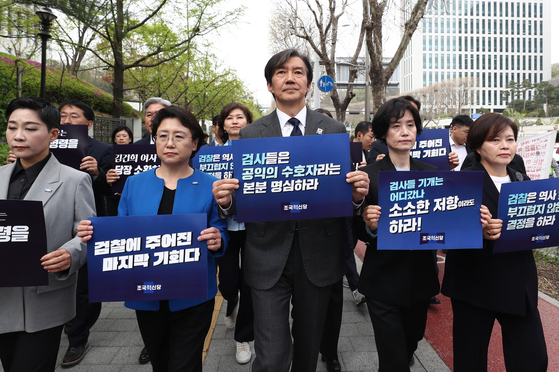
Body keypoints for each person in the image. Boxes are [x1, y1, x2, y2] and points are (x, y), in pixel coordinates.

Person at [212, 49, 369, 372]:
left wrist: (356, 196)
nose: (290, 78)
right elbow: (247, 199)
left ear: (309, 84)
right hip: (267, 254)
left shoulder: (335, 130)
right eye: (282, 72)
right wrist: (227, 202)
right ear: (270, 84)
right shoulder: (252, 134)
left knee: (308, 350)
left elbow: (344, 200)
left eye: (298, 72)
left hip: (319, 255)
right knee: (270, 353)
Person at [78, 105, 229, 372]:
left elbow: (221, 231)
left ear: (195, 143)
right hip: (145, 295)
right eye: (163, 135)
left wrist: (218, 239)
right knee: (160, 362)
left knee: (185, 364)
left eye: (179, 136)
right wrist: (94, 235)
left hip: (193, 295)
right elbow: (121, 233)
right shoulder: (134, 184)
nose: (169, 143)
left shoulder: (211, 185)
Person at [442, 113, 548, 372]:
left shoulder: (523, 181)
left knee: (533, 359)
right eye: (495, 140)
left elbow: (533, 232)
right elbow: (444, 235)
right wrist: (480, 233)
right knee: (470, 361)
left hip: (518, 283)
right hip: (474, 285)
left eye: (510, 139)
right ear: (477, 146)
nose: (505, 146)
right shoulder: (460, 184)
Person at [0, 97, 96, 372]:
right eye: (12, 127)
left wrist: (70, 254)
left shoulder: (74, 180)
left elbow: (87, 234)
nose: (18, 136)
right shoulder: (0, 176)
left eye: (30, 128)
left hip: (46, 299)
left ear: (53, 134)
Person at [355, 98, 440, 371]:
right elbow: (355, 227)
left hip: (421, 280)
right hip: (383, 281)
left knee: (410, 345)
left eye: (410, 125)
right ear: (383, 132)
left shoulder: (432, 174)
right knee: (392, 360)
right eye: (396, 126)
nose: (404, 132)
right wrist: (369, 225)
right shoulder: (368, 176)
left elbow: (441, 224)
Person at [59, 99, 113, 367]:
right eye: (63, 116)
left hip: (88, 224)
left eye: (73, 116)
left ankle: (78, 338)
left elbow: (110, 189)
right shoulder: (47, 144)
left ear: (89, 123)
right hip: (53, 222)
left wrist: (97, 173)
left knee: (85, 285)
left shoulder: (102, 149)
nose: (66, 121)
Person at [213, 102, 255, 364]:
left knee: (250, 283)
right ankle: (231, 301)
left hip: (253, 228)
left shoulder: (260, 154)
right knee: (229, 283)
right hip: (224, 230)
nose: (236, 121)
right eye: (230, 118)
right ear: (223, 125)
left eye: (241, 117)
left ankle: (243, 337)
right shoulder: (211, 156)